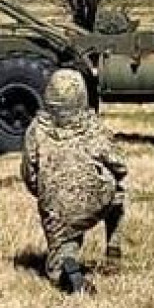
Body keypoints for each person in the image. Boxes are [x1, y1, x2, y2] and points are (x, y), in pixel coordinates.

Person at [21, 68, 129, 295]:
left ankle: (66, 266)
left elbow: (29, 173)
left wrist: (45, 193)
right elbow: (120, 165)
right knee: (118, 193)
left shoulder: (36, 130)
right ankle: (113, 250)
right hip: (95, 201)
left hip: (55, 208)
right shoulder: (93, 128)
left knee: (59, 256)